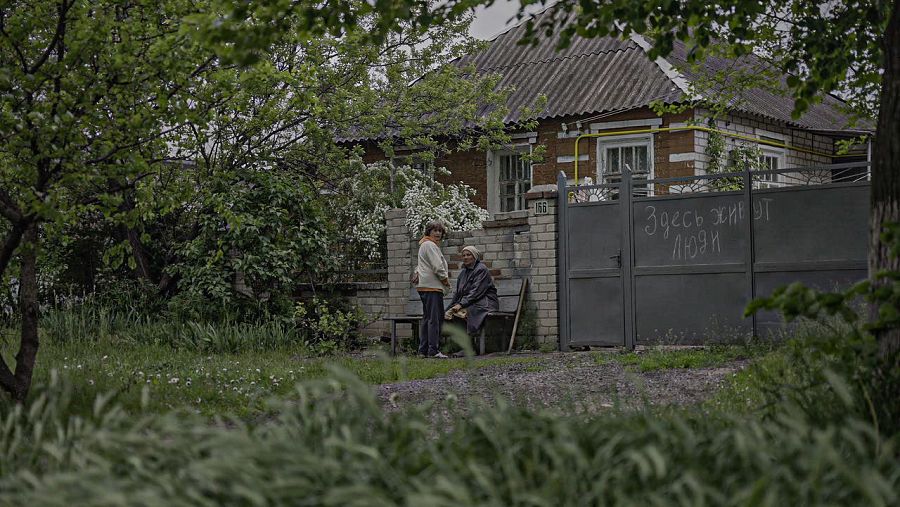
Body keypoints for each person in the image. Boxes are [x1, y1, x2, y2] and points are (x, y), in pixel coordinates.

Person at [413, 221, 451, 358]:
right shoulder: (429, 245)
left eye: (440, 231)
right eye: (435, 230)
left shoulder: (425, 245)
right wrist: (445, 281)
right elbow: (437, 266)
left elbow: (421, 265)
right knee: (435, 319)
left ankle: (423, 350)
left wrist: (417, 272)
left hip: (426, 286)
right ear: (428, 232)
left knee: (428, 318)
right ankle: (433, 350)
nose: (438, 233)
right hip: (432, 287)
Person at [444, 245, 498, 337]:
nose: (465, 257)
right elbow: (458, 293)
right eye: (463, 255)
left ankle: (470, 347)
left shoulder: (481, 269)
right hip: (471, 302)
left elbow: (476, 291)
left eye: (468, 255)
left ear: (474, 256)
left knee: (462, 313)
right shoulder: (463, 273)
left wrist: (460, 304)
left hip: (485, 303)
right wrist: (449, 308)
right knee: (451, 313)